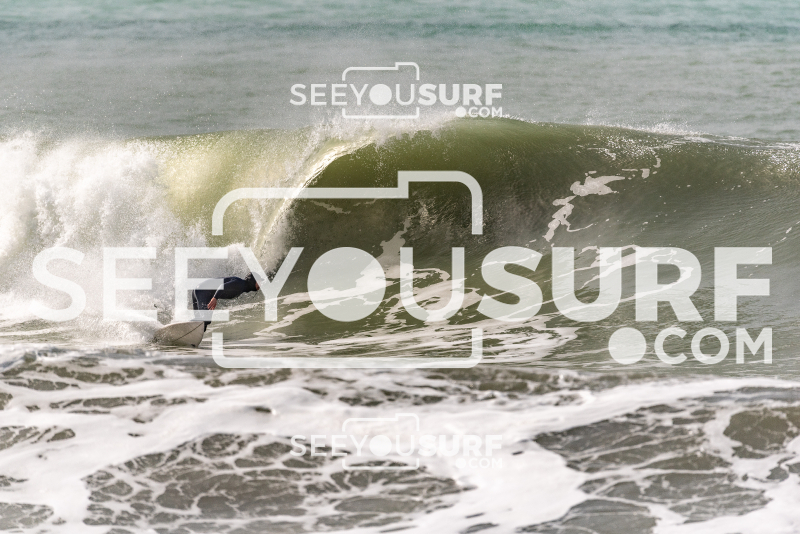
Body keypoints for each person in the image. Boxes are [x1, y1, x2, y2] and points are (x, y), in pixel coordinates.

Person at [192, 273, 261, 331]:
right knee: (204, 320)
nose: (260, 284)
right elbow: (222, 286)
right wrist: (215, 298)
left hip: (199, 290)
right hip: (203, 290)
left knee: (200, 324)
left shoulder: (242, 286)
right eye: (259, 281)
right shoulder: (239, 283)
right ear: (253, 281)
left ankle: (190, 338)